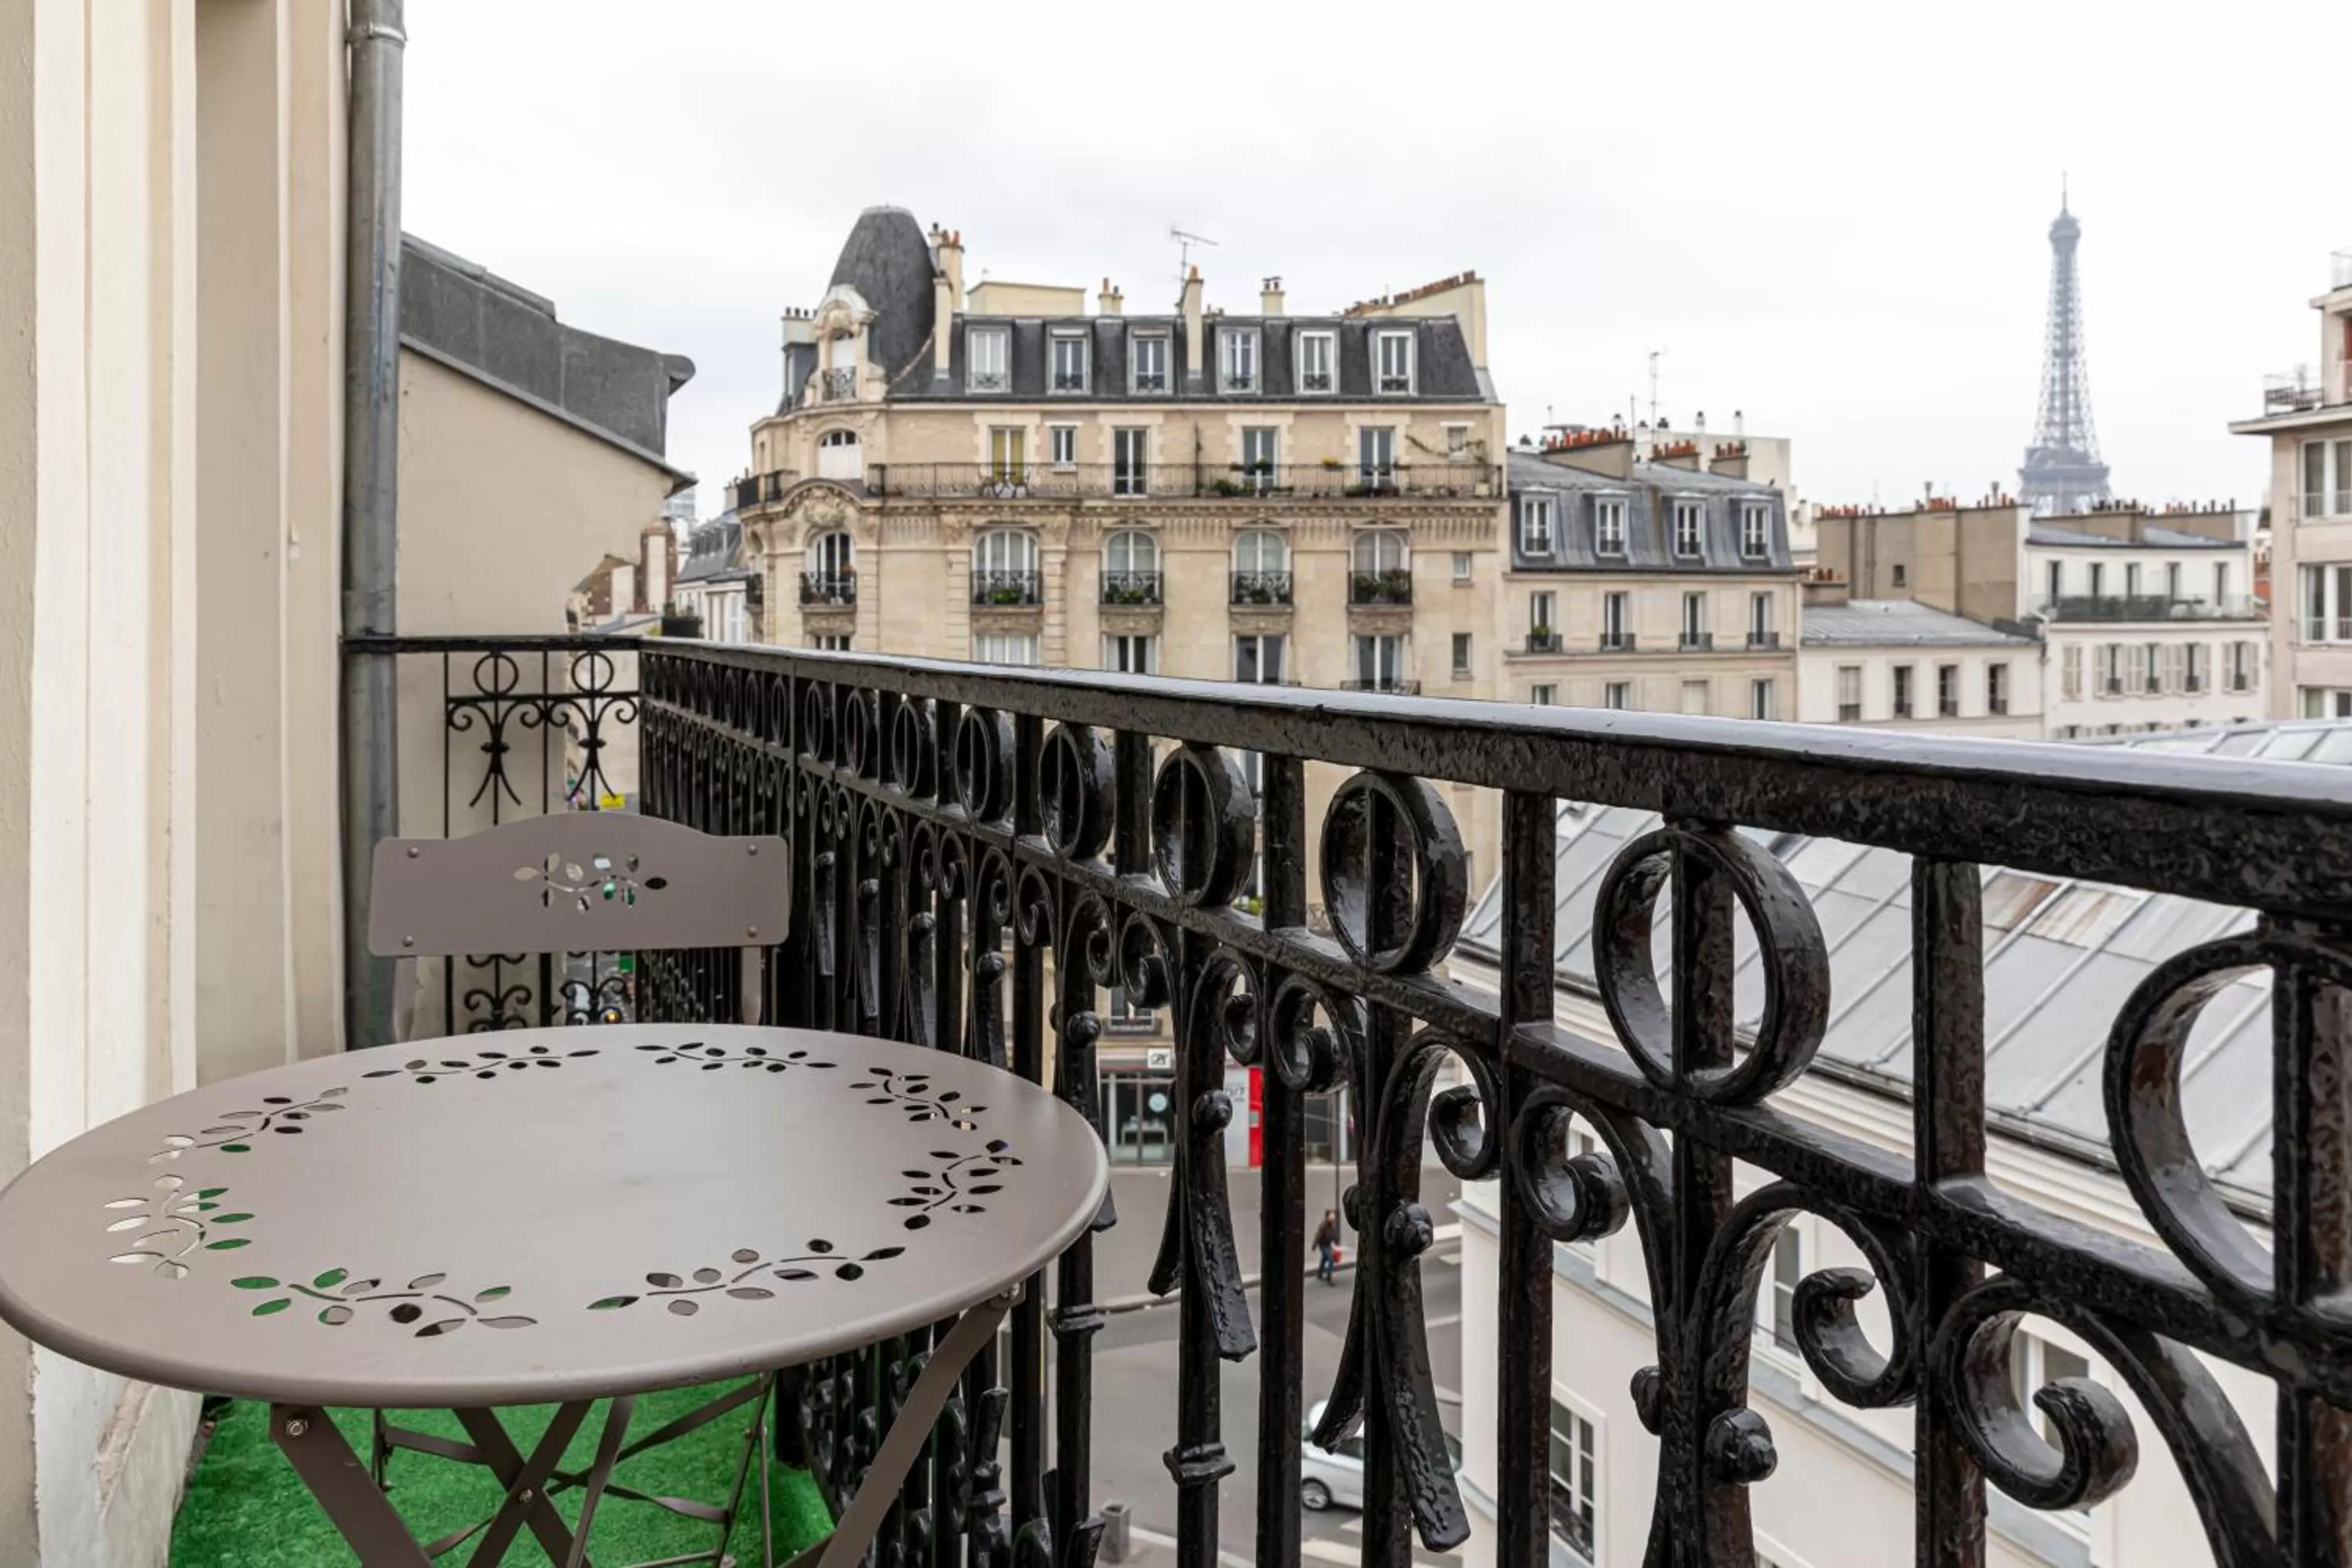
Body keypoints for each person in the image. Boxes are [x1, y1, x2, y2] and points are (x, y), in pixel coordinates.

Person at [1312, 1209, 1341, 1285]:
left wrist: (1336, 1241)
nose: (1333, 1218)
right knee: (1330, 1260)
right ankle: (1329, 1279)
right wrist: (1314, 1245)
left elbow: (1334, 1235)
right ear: (1327, 1217)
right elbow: (1318, 1236)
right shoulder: (1323, 1225)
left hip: (1328, 1245)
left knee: (1324, 1259)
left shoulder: (1332, 1225)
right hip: (1323, 1245)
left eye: (1333, 1216)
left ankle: (1319, 1274)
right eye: (1331, 1216)